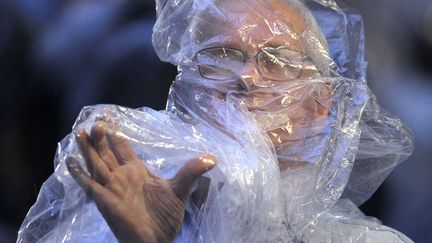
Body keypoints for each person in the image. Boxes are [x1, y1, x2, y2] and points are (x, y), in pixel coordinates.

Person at [18, 0, 414, 242]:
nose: (247, 77)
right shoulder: (107, 228)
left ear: (321, 105)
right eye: (221, 57)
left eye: (277, 61)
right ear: (187, 92)